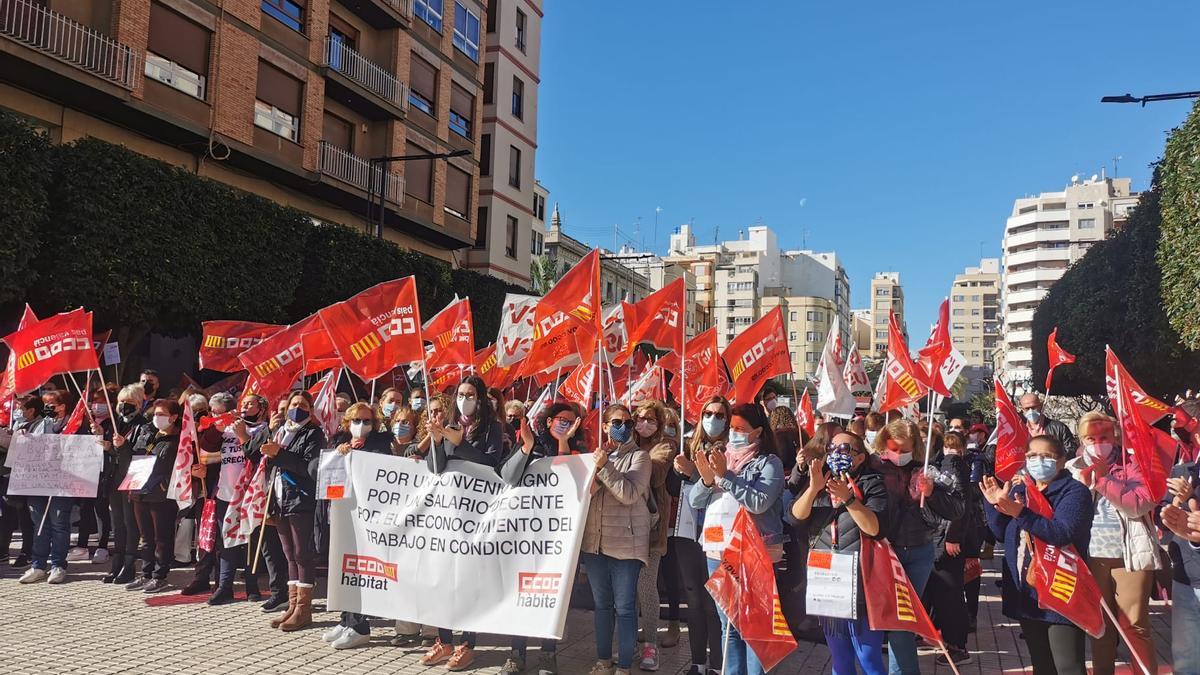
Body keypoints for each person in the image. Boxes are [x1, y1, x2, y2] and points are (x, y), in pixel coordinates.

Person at [983, 435, 1092, 675]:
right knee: (1041, 663)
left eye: (1046, 456)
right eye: (1032, 456)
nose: (1038, 461)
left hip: (1061, 587)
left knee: (1068, 665)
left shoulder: (1075, 493)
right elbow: (1002, 533)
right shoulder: (1021, 489)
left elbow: (1062, 533)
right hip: (1029, 590)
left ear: (1062, 461)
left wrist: (1020, 513)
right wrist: (994, 505)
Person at [690, 403, 786, 675]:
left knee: (755, 626)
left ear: (757, 432)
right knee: (728, 625)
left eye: (741, 429)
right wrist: (708, 480)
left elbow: (759, 502)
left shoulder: (769, 463)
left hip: (756, 550)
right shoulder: (721, 456)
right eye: (731, 428)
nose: (733, 433)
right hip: (718, 549)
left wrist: (726, 477)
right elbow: (695, 500)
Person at [420, 376, 505, 670]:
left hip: (475, 515)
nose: (464, 399)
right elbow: (435, 467)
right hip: (447, 516)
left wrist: (461, 443)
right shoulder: (449, 425)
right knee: (443, 579)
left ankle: (467, 643)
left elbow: (493, 462)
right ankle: (443, 641)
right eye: (460, 394)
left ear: (480, 399)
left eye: (470, 394)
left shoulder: (492, 428)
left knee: (468, 581)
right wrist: (438, 439)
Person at [1065, 412, 1160, 675]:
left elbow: (1140, 505)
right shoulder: (1073, 468)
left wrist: (1104, 478)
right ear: (1082, 440)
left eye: (1104, 436)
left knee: (1134, 625)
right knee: (1101, 627)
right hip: (1091, 557)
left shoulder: (1135, 463)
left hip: (1130, 556)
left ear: (1115, 436)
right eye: (1090, 437)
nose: (1098, 442)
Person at [790, 432, 889, 675]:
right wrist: (813, 489)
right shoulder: (821, 478)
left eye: (845, 449)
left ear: (859, 458)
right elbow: (796, 518)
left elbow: (874, 528)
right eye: (832, 448)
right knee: (840, 658)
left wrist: (850, 500)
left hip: (862, 584)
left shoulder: (872, 482)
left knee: (868, 658)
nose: (836, 454)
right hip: (829, 583)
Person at [872, 418, 964, 675]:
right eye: (894, 447)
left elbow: (957, 509)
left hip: (918, 551)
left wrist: (932, 491)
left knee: (905, 617)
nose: (899, 454)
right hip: (882, 552)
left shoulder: (926, 470)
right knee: (881, 618)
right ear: (883, 443)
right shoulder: (873, 468)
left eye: (906, 449)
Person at [498, 402, 583, 675]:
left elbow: (569, 481)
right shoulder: (530, 443)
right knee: (519, 594)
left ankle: (548, 654)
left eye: (571, 422)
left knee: (550, 595)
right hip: (523, 533)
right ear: (548, 421)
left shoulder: (578, 450)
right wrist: (525, 447)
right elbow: (509, 476)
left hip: (556, 538)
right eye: (561, 419)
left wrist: (564, 443)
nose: (565, 425)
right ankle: (516, 654)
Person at [580, 403, 651, 675]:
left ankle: (623, 666)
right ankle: (603, 661)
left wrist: (605, 466)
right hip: (595, 544)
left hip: (626, 545)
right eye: (617, 423)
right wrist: (598, 467)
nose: (623, 428)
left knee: (624, 607)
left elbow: (629, 494)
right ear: (605, 426)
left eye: (628, 423)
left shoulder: (640, 457)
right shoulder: (595, 456)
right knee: (602, 606)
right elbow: (585, 494)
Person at [246, 390, 325, 631]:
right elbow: (254, 453)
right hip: (278, 498)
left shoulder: (313, 434)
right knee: (289, 553)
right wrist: (269, 442)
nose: (296, 408)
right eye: (293, 404)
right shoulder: (279, 432)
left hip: (300, 499)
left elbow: (309, 468)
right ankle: (292, 605)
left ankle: (304, 609)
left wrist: (279, 454)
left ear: (310, 410)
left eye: (302, 404)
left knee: (302, 554)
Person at [323, 402, 396, 649]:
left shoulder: (381, 442)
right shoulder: (339, 440)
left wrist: (361, 454)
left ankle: (360, 626)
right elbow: (319, 469)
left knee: (359, 569)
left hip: (367, 517)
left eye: (366, 421)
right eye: (356, 420)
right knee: (343, 566)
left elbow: (385, 469)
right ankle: (346, 619)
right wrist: (339, 454)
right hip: (343, 512)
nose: (361, 426)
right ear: (347, 422)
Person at [669, 397, 728, 675]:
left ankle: (718, 664)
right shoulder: (689, 445)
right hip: (687, 532)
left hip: (718, 534)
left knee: (714, 602)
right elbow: (672, 489)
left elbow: (721, 488)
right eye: (707, 413)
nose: (712, 418)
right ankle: (698, 663)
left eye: (719, 414)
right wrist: (679, 469)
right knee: (693, 598)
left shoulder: (731, 450)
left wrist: (695, 473)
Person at [118, 398, 182, 593]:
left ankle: (159, 575)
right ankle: (146, 573)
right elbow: (133, 456)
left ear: (174, 417)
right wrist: (121, 446)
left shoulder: (180, 439)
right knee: (145, 536)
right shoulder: (147, 432)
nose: (157, 418)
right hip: (140, 490)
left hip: (161, 494)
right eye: (155, 414)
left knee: (161, 536)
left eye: (162, 414)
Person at [234, 394, 289, 612]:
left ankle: (298, 595)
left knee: (292, 551)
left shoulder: (306, 433)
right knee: (268, 547)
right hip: (266, 495)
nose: (284, 415)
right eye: (282, 410)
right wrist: (270, 430)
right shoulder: (270, 428)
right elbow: (251, 452)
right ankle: (279, 593)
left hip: (291, 498)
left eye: (289, 409)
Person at [923, 431, 973, 665]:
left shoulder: (952, 464)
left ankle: (957, 646)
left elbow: (961, 504)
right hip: (934, 538)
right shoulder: (934, 463)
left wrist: (953, 537)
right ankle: (944, 638)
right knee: (938, 593)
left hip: (946, 541)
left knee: (949, 594)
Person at [631, 400, 674, 671]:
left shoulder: (665, 446)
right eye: (640, 418)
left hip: (651, 529)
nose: (644, 423)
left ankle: (650, 646)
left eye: (651, 419)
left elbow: (655, 476)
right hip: (623, 528)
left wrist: (630, 455)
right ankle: (632, 639)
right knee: (627, 590)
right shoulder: (628, 443)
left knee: (647, 588)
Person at [14, 396, 72, 585]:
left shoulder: (74, 423)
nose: (47, 408)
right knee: (39, 524)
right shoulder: (36, 425)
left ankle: (58, 565)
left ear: (63, 406)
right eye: (45, 404)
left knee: (59, 523)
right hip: (37, 481)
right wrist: (21, 435)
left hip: (61, 482)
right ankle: (38, 565)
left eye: (52, 405)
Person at [1161, 456, 1200, 674]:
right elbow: (1164, 515)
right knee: (1186, 658)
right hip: (1185, 577)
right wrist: (1172, 509)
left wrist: (1191, 499)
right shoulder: (1182, 471)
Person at [1018, 393, 1079, 458]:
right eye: (1027, 409)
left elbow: (1071, 450)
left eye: (1033, 407)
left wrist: (1058, 460)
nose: (1031, 411)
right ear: (1022, 409)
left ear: (1040, 406)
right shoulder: (1019, 430)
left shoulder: (1059, 428)